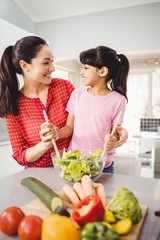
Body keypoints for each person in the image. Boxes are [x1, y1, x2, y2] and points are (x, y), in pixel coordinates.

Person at [0, 36, 128, 167]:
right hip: (38, 173)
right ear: (24, 66)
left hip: (74, 168)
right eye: (46, 63)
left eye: (52, 61)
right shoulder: (14, 104)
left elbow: (92, 119)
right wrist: (44, 144)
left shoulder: (65, 87)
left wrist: (119, 133)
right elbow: (19, 155)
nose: (53, 68)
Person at [46, 46, 130, 173]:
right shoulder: (77, 95)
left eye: (86, 68)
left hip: (102, 165)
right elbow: (69, 128)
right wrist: (56, 133)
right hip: (75, 162)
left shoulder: (118, 100)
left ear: (102, 72)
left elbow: (115, 132)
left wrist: (113, 141)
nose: (81, 72)